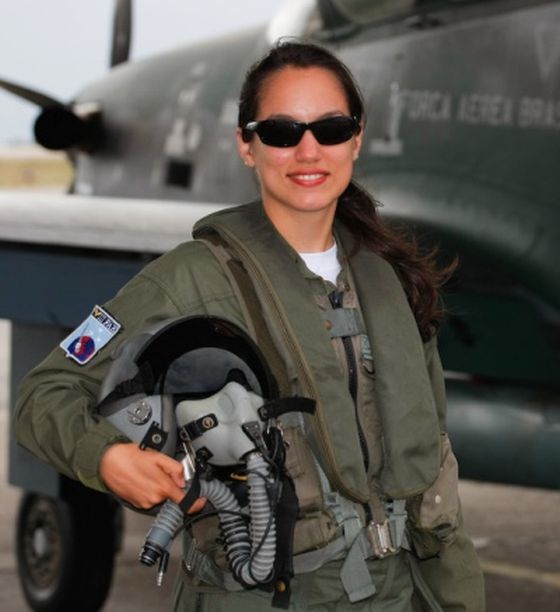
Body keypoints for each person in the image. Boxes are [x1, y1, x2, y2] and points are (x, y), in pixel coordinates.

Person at [15, 41, 485, 610]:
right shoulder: (191, 278)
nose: (308, 150)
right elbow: (44, 394)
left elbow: (439, 496)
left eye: (331, 129)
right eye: (282, 132)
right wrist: (109, 458)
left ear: (356, 139)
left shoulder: (393, 284)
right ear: (246, 144)